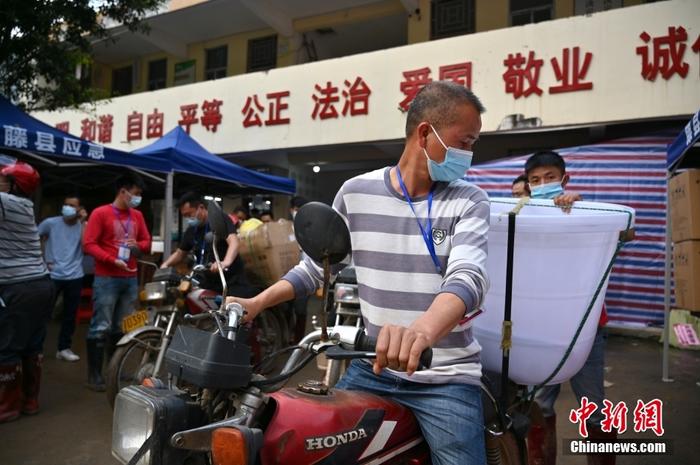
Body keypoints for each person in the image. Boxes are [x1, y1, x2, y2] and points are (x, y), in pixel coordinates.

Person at [229, 81, 490, 465]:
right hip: (373, 369)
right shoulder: (355, 193)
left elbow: (468, 277)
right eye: (464, 142)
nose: (468, 154)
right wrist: (255, 303)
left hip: (444, 378)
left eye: (472, 145)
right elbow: (317, 269)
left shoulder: (469, 200)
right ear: (424, 134)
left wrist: (421, 332)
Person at [523, 150, 614, 465]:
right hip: (540, 329)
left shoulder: (581, 211)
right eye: (535, 180)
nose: (542, 184)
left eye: (549, 177)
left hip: (585, 327)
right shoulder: (525, 217)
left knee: (594, 408)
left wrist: (580, 206)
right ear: (528, 185)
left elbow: (625, 231)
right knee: (539, 406)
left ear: (565, 180)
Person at [82, 173, 151, 391]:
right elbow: (89, 244)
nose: (138, 198)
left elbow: (147, 242)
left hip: (130, 277)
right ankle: (94, 375)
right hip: (107, 278)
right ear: (123, 191)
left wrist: (137, 245)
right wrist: (111, 259)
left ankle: (114, 369)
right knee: (100, 326)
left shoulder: (137, 215)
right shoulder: (100, 213)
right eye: (136, 193)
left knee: (122, 326)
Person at [0, 157, 55, 423]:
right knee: (32, 345)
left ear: (14, 185)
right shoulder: (25, 205)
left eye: (4, 180)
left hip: (17, 286)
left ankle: (7, 407)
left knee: (7, 346)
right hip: (41, 284)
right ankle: (29, 401)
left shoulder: (5, 202)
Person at [160, 192, 252, 297]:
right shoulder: (191, 230)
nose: (188, 219)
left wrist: (225, 262)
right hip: (208, 282)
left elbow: (234, 242)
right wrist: (165, 265)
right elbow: (180, 253)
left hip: (230, 281)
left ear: (201, 207)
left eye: (189, 214)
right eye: (185, 216)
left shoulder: (219, 220)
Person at [37, 194, 87, 362]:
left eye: (72, 205)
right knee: (43, 313)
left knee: (70, 316)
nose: (68, 208)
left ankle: (63, 348)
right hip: (52, 275)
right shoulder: (51, 223)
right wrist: (42, 259)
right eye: (66, 204)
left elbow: (86, 247)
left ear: (80, 209)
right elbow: (34, 238)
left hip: (75, 275)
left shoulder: (83, 226)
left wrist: (83, 223)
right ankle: (36, 349)